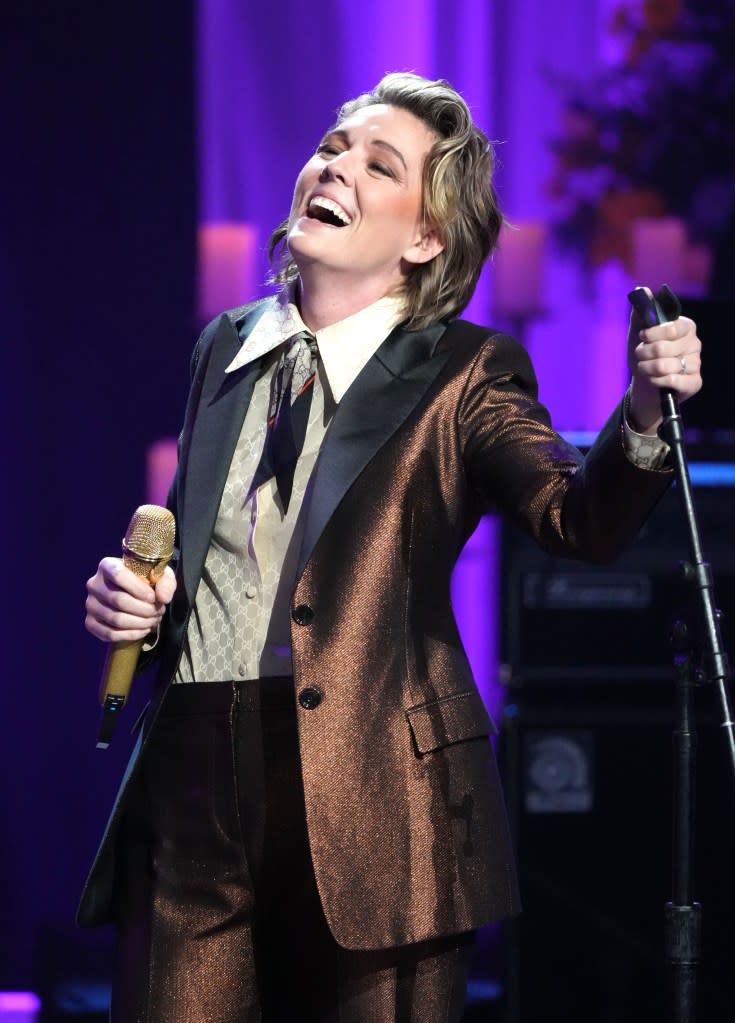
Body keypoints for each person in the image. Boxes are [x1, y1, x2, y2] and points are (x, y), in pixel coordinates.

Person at [81, 72, 702, 1022]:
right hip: (196, 780)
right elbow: (200, 552)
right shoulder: (226, 347)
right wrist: (141, 600)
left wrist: (645, 410)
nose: (336, 167)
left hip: (379, 797)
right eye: (333, 148)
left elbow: (577, 518)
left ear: (424, 239)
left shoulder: (464, 371)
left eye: (379, 165)